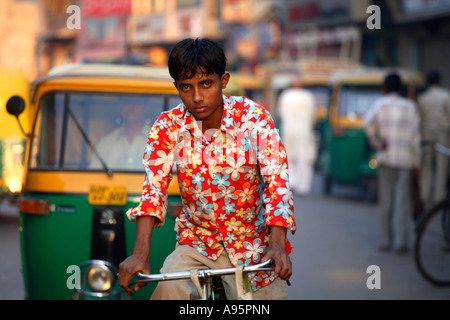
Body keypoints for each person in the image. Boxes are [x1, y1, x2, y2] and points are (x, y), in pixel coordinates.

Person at [118, 38, 296, 300]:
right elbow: (153, 191)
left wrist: (277, 246)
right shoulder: (168, 126)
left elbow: (277, 182)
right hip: (196, 244)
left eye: (206, 84)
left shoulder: (254, 118)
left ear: (223, 81)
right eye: (186, 87)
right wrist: (140, 255)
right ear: (177, 87)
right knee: (169, 291)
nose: (197, 97)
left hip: (253, 247)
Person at [364, 72, 421, 254]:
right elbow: (416, 137)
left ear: (384, 88)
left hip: (386, 158)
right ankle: (401, 242)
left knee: (386, 201)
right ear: (401, 89)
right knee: (403, 202)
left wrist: (377, 142)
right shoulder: (410, 106)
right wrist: (418, 162)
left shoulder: (380, 104)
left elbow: (367, 123)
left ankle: (386, 240)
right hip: (406, 159)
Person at [277, 76, 317, 196]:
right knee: (305, 157)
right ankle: (303, 185)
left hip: (288, 129)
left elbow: (280, 113)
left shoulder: (285, 96)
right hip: (304, 130)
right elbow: (312, 115)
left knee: (290, 156)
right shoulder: (308, 96)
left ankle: (292, 182)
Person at [90, 96, 151, 170]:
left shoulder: (159, 142)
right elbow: (94, 176)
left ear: (147, 107)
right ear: (120, 106)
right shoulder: (106, 143)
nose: (131, 107)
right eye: (127, 102)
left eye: (136, 102)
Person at [417, 71, 450, 207]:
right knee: (442, 164)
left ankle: (424, 195)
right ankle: (439, 197)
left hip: (427, 132)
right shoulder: (446, 95)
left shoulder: (423, 97)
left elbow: (420, 118)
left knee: (426, 164)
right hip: (443, 132)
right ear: (439, 81)